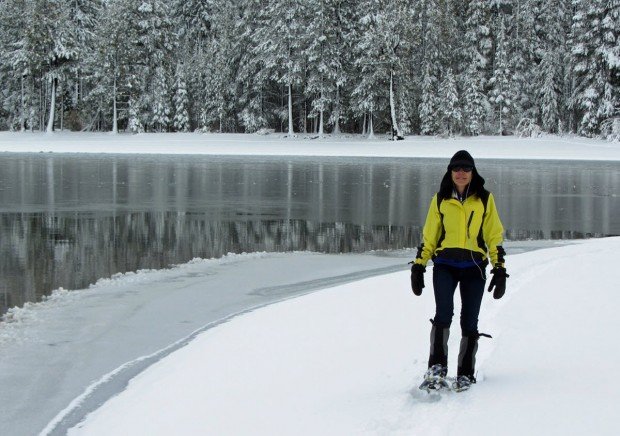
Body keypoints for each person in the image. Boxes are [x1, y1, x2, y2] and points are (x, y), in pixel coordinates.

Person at [410, 150, 508, 391]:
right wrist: (419, 265)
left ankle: (465, 373)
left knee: (469, 321)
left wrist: (499, 269)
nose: (461, 173)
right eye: (457, 169)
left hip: (474, 268)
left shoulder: (484, 199)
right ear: (450, 172)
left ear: (473, 172)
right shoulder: (441, 199)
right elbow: (430, 234)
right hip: (445, 266)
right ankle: (436, 368)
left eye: (466, 169)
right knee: (443, 314)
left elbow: (493, 235)